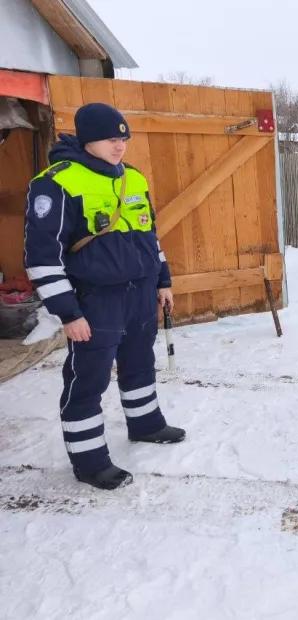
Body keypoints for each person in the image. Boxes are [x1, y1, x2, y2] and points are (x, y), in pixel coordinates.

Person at [24, 102, 186, 490]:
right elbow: (42, 258)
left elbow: (149, 235)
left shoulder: (133, 178)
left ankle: (146, 424)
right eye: (112, 139)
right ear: (87, 139)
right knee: (88, 380)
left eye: (123, 138)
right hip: (95, 300)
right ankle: (89, 460)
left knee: (139, 364)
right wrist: (68, 313)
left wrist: (162, 280)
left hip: (140, 294)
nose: (120, 146)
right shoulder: (57, 183)